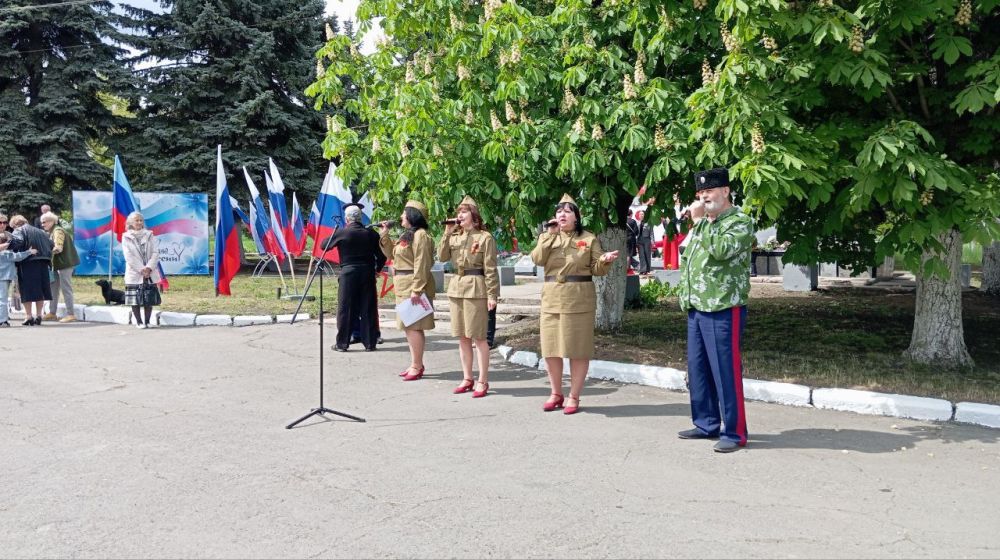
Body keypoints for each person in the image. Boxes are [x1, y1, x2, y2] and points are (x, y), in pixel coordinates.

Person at [677, 167, 754, 453]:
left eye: (709, 190)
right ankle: (706, 423)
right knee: (699, 369)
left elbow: (721, 251)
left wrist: (698, 223)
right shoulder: (705, 223)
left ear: (725, 191)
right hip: (697, 305)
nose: (704, 196)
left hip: (723, 305)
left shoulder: (740, 221)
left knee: (725, 371)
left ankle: (734, 433)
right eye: (700, 192)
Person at [530, 193, 619, 414]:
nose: (562, 214)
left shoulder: (588, 238)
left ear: (576, 217)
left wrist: (604, 261)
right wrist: (549, 236)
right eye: (559, 211)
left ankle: (574, 396)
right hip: (552, 297)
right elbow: (537, 259)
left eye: (567, 211)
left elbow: (596, 268)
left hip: (579, 298)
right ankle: (555, 393)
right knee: (551, 348)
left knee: (577, 349)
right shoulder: (547, 237)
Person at [438, 196, 500, 397]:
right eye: (458, 212)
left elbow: (490, 268)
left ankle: (482, 380)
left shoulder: (485, 237)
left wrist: (493, 295)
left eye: (463, 212)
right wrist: (446, 234)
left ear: (473, 216)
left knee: (479, 337)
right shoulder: (454, 236)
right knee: (462, 336)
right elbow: (442, 257)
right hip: (457, 286)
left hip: (476, 287)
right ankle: (467, 378)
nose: (459, 216)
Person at [379, 200, 435, 381]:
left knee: (414, 327)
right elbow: (390, 254)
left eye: (404, 213)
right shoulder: (408, 235)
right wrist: (384, 235)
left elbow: (422, 263)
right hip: (404, 285)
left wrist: (417, 290)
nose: (401, 216)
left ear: (412, 215)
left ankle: (417, 366)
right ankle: (414, 363)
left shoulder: (421, 236)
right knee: (408, 327)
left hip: (413, 285)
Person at [325, 202, 386, 352]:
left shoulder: (342, 232)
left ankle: (342, 344)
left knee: (346, 308)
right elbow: (382, 256)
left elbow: (323, 245)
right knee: (368, 307)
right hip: (367, 273)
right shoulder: (371, 233)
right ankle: (370, 343)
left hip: (348, 273)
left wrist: (335, 233)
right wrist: (377, 270)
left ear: (347, 219)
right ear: (360, 218)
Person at [7, 216, 53, 326]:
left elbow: (18, 242)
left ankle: (28, 316)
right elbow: (51, 244)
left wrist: (10, 245)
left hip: (28, 263)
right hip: (43, 263)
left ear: (15, 225)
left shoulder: (19, 230)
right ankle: (39, 315)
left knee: (26, 290)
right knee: (40, 290)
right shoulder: (41, 232)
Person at [121, 211, 161, 329]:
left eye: (141, 220)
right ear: (130, 223)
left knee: (149, 297)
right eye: (136, 220)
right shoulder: (126, 237)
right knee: (135, 299)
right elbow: (128, 256)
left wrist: (149, 267)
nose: (139, 222)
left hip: (150, 272)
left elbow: (155, 252)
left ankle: (148, 321)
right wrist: (141, 269)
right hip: (134, 272)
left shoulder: (150, 234)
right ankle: (139, 322)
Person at [39, 212, 80, 323]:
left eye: (44, 222)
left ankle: (71, 314)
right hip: (58, 265)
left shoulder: (58, 231)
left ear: (52, 221)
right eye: (42, 222)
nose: (42, 225)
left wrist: (46, 251)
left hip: (65, 264)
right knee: (54, 289)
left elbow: (59, 247)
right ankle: (52, 313)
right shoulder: (53, 231)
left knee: (66, 288)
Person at [0, 232, 37, 328]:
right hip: (4, 277)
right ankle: (3, 321)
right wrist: (29, 252)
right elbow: (18, 257)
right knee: (2, 299)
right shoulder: (6, 253)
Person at [635, 210, 653, 274]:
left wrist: (652, 241)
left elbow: (651, 232)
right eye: (640, 214)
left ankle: (647, 269)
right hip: (639, 240)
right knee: (641, 255)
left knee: (647, 254)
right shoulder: (637, 223)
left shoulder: (649, 222)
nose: (641, 215)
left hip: (646, 239)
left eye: (642, 214)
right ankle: (643, 269)